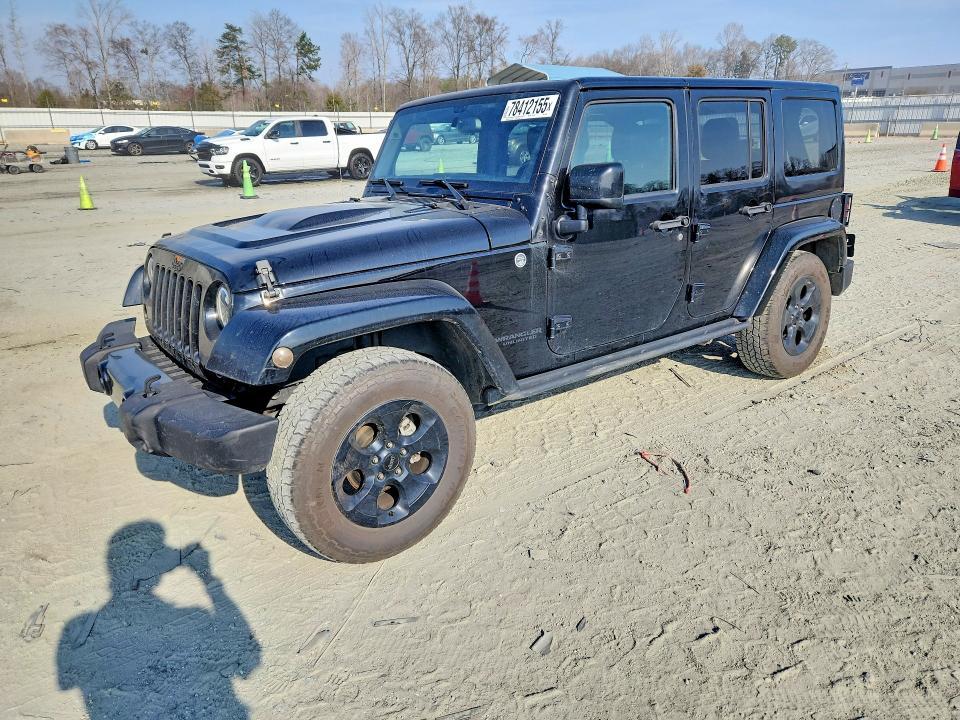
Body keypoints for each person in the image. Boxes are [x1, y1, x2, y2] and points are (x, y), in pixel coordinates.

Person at [58, 521, 260, 719]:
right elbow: (245, 653)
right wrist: (207, 577)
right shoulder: (194, 619)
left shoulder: (78, 627)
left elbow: (66, 681)